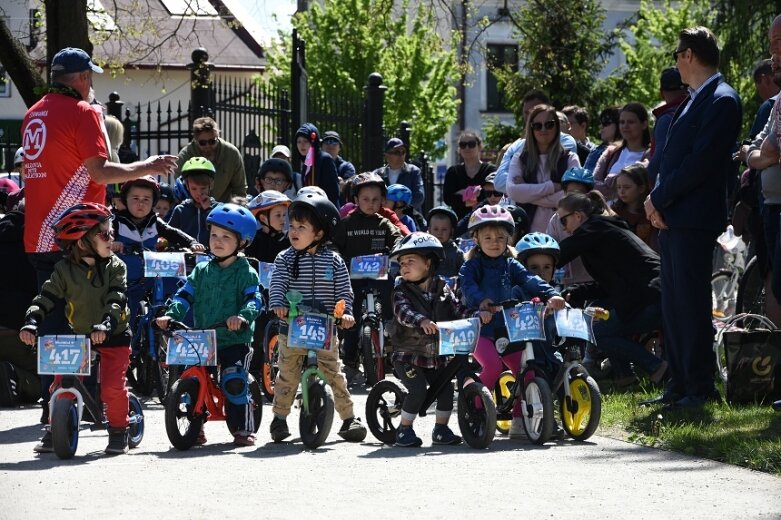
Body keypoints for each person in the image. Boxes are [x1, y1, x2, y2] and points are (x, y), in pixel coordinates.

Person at [21, 47, 177, 423]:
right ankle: (85, 403)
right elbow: (100, 172)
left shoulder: (32, 113)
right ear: (83, 79)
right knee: (92, 321)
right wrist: (149, 166)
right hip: (79, 236)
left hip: (39, 234)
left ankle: (55, 405)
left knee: (54, 324)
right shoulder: (85, 112)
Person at [644, 26, 742, 408]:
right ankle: (679, 384)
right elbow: (670, 159)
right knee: (674, 304)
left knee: (691, 304)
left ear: (688, 55)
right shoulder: (692, 99)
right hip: (672, 216)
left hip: (694, 218)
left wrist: (658, 197)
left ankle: (700, 387)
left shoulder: (722, 100)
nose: (675, 61)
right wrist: (657, 203)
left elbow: (700, 163)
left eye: (676, 54)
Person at [19, 203, 132, 454]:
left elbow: (117, 298)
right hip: (80, 337)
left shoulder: (116, 266)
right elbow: (45, 297)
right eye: (104, 233)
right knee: (61, 382)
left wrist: (106, 323)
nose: (111, 237)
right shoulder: (63, 270)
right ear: (82, 243)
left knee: (112, 386)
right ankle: (54, 428)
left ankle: (118, 431)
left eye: (110, 231)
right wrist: (32, 321)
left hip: (113, 334)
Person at [157, 203, 261, 446]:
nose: (218, 241)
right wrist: (170, 315)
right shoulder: (202, 270)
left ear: (242, 242)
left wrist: (243, 316)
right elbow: (185, 295)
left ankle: (242, 428)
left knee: (233, 380)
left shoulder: (245, 271)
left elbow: (254, 299)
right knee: (191, 380)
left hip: (234, 338)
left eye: (226, 236)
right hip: (203, 337)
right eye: (214, 234)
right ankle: (196, 426)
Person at [267, 191, 367, 443]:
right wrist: (278, 302)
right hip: (292, 328)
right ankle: (279, 419)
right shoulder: (285, 259)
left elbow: (344, 292)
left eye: (302, 227)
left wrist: (345, 312)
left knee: (334, 373)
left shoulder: (334, 261)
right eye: (292, 226)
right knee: (287, 374)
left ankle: (349, 417)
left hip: (324, 329)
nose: (294, 231)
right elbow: (277, 282)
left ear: (320, 233)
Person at [459, 205, 564, 439]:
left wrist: (551, 294)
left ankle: (519, 421)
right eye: (487, 237)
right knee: (494, 366)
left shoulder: (511, 264)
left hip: (507, 329)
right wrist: (481, 303)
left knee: (525, 371)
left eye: (500, 237)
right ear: (476, 238)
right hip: (482, 329)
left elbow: (530, 279)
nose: (494, 242)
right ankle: (474, 404)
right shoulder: (471, 266)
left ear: (509, 237)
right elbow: (467, 287)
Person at [557, 192, 668, 387]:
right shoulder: (603, 228)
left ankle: (658, 368)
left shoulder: (593, 228)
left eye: (563, 221)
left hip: (651, 297)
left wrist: (526, 260)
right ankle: (624, 375)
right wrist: (577, 292)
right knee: (598, 312)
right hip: (654, 292)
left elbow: (556, 255)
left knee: (597, 332)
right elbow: (613, 284)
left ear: (578, 216)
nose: (563, 228)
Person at [388, 232, 474, 447]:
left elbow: (457, 307)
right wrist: (421, 320)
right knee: (417, 390)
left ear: (428, 263)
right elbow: (403, 313)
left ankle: (441, 429)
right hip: (408, 354)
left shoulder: (443, 288)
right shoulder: (401, 291)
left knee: (446, 388)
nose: (404, 267)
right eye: (401, 263)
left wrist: (473, 316)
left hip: (437, 354)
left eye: (410, 261)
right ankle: (404, 429)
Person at [332, 172, 402, 382]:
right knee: (350, 318)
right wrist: (338, 257)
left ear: (382, 200)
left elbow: (398, 237)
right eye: (365, 199)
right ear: (355, 200)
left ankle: (390, 323)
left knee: (392, 288)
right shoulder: (347, 223)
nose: (370, 204)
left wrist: (397, 249)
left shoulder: (384, 224)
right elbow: (334, 244)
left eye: (375, 199)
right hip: (352, 278)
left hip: (378, 277)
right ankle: (351, 358)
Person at [505, 104, 581, 233]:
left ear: (557, 127)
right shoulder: (519, 159)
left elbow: (574, 197)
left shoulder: (570, 158)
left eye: (549, 124)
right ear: (531, 129)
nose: (543, 129)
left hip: (563, 232)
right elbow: (513, 191)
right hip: (528, 234)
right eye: (537, 125)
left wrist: (529, 194)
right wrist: (551, 187)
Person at [493, 90, 578, 193]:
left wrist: (523, 187)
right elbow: (499, 183)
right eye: (526, 112)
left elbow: (563, 191)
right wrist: (549, 187)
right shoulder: (515, 147)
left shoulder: (566, 142)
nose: (530, 116)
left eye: (534, 110)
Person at [175, 117, 247, 203]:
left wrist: (235, 209)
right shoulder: (185, 156)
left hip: (223, 209)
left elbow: (239, 188)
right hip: (193, 208)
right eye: (203, 143)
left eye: (212, 141)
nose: (208, 146)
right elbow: (180, 188)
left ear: (218, 137)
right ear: (196, 141)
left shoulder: (232, 154)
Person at [544, 166, 595, 285]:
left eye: (580, 193)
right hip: (566, 280)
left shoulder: (595, 218)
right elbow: (551, 245)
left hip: (593, 280)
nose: (574, 198)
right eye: (571, 193)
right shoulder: (557, 219)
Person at [593, 102, 651, 201]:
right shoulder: (611, 152)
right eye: (622, 122)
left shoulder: (651, 155)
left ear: (644, 124)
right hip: (605, 213)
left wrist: (611, 181)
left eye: (631, 122)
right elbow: (594, 182)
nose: (625, 126)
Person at [442, 130, 497, 220]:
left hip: (486, 219)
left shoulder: (490, 170)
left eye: (471, 144)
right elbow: (448, 198)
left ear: (479, 146)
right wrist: (475, 193)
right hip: (459, 221)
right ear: (459, 149)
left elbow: (491, 194)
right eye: (463, 145)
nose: (467, 148)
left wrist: (463, 193)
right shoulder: (453, 172)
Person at [168, 157, 220, 244]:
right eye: (194, 189)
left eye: (203, 188)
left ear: (211, 185)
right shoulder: (180, 210)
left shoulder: (219, 209)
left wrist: (208, 210)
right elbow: (170, 235)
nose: (199, 193)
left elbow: (220, 231)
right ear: (187, 187)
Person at [611, 164, 657, 251]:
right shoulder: (614, 211)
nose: (621, 191)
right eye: (618, 187)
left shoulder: (651, 214)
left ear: (641, 188)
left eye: (627, 187)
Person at [648, 68, 688, 164]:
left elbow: (658, 160)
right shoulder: (699, 110)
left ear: (661, 93)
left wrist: (645, 176)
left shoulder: (666, 119)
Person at [373, 138, 425, 212]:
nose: (401, 155)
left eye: (403, 152)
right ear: (387, 155)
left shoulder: (413, 171)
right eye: (397, 152)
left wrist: (401, 210)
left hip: (408, 218)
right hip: (384, 217)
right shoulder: (378, 174)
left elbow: (419, 197)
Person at [294, 123, 340, 205]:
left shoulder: (325, 159)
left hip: (325, 210)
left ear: (313, 142)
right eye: (299, 142)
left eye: (306, 141)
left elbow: (333, 192)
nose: (302, 145)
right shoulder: (306, 162)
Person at [246, 190, 291, 263]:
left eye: (284, 215)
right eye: (278, 215)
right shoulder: (253, 241)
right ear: (263, 218)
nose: (283, 219)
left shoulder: (288, 240)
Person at [427, 206, 464, 278]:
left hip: (450, 288)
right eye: (436, 229)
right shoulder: (424, 250)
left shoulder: (457, 253)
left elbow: (464, 275)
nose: (439, 233)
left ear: (451, 231)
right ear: (429, 230)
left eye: (444, 229)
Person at [321, 131, 356, 202]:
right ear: (321, 146)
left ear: (339, 147)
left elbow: (351, 189)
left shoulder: (347, 167)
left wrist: (344, 185)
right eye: (327, 141)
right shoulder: (315, 166)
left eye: (334, 142)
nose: (330, 145)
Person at [583, 107, 621, 173]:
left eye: (606, 123)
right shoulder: (596, 152)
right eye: (601, 123)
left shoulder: (628, 151)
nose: (601, 126)